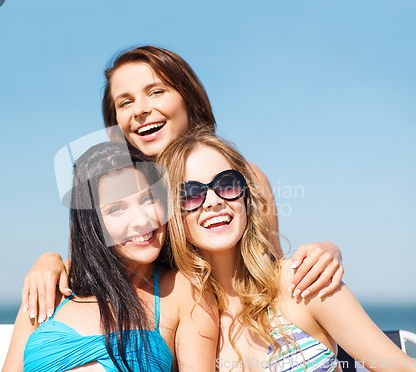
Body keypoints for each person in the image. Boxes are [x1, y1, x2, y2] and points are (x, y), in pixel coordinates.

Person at [22, 45, 344, 323]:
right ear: (114, 127)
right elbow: (89, 267)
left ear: (188, 99)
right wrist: (50, 261)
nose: (141, 110)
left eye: (156, 91)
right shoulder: (104, 194)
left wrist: (327, 251)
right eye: (125, 103)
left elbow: (270, 267)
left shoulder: (246, 178)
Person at [158, 129, 416, 372]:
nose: (214, 201)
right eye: (191, 194)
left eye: (227, 184)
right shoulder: (185, 320)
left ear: (245, 196)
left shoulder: (302, 281)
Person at [3, 141, 218, 372]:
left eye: (147, 199)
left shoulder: (183, 292)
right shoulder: (50, 287)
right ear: (91, 225)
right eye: (117, 209)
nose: (141, 220)